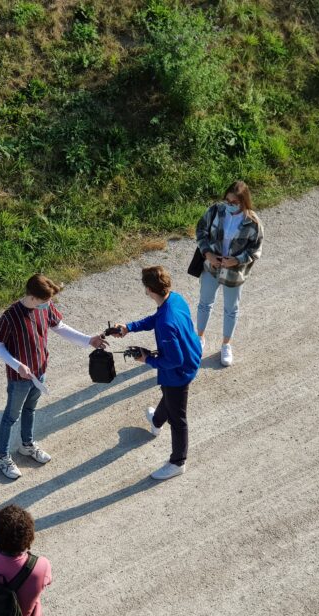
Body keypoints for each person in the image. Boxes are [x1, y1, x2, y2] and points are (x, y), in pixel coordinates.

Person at [0, 273, 107, 480]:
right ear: (33, 297)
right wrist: (17, 366)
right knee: (11, 416)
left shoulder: (45, 306)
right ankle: (2, 457)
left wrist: (89, 340)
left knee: (30, 409)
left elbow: (60, 327)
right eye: (45, 301)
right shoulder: (10, 316)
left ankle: (26, 446)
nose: (48, 305)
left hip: (40, 371)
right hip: (19, 378)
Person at [112, 266, 201, 480]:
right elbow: (156, 318)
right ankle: (156, 421)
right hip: (191, 357)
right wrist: (129, 327)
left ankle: (178, 462)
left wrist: (148, 360)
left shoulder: (166, 323)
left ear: (149, 289)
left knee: (178, 418)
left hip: (179, 371)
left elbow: (173, 360)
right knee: (169, 396)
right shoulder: (174, 299)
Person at [194, 180, 264, 367]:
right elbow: (200, 230)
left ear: (244, 202)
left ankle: (226, 345)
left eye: (234, 202)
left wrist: (237, 260)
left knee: (231, 310)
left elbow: (256, 250)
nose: (229, 205)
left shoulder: (253, 223)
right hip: (212, 267)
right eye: (227, 200)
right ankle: (199, 339)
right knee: (204, 303)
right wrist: (207, 253)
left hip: (234, 273)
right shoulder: (216, 210)